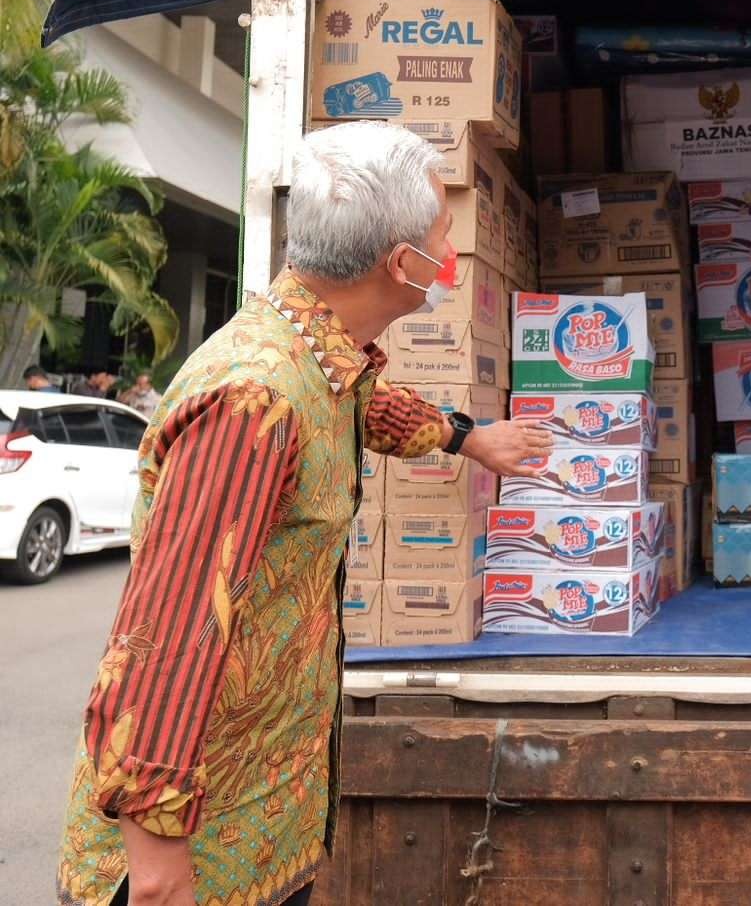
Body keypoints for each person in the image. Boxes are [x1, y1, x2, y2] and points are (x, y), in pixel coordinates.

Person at [57, 122, 556, 906]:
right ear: (403, 265)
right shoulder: (252, 402)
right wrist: (157, 879)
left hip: (262, 822)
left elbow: (366, 404)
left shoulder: (318, 352)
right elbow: (164, 637)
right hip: (194, 858)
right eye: (441, 233)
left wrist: (468, 438)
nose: (450, 249)